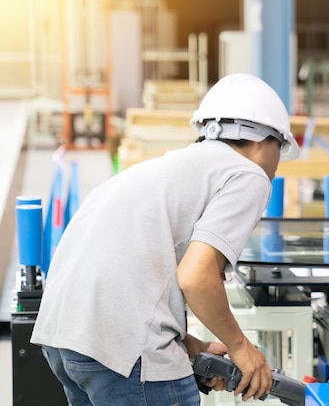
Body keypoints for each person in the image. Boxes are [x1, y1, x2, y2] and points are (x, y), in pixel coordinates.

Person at [30, 73, 301, 405]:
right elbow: (196, 276)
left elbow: (134, 267)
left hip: (65, 337)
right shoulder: (248, 174)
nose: (275, 165)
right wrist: (240, 347)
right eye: (280, 149)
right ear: (264, 141)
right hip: (123, 351)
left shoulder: (164, 170)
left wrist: (187, 344)